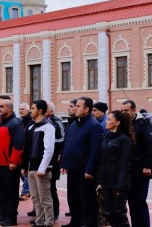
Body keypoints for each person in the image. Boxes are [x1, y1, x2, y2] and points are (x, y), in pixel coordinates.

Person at [60, 97, 103, 227]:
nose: (75, 108)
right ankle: (75, 222)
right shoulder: (74, 123)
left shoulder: (94, 126)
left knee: (87, 200)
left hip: (85, 170)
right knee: (73, 198)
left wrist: (90, 170)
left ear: (87, 109)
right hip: (72, 168)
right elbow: (67, 144)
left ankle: (90, 224)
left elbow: (96, 150)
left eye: (78, 106)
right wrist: (64, 163)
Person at [0, 98, 24, 226]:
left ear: (9, 108)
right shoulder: (0, 122)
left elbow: (18, 144)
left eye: (2, 107)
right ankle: (3, 214)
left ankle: (11, 217)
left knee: (11, 192)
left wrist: (14, 162)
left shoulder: (15, 123)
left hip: (9, 164)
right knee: (1, 191)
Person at [97, 110, 134, 227]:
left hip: (118, 182)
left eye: (109, 119)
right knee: (109, 213)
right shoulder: (107, 136)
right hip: (106, 181)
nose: (106, 122)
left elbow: (124, 165)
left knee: (119, 214)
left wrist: (120, 185)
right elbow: (102, 160)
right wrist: (100, 180)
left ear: (117, 122)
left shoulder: (124, 140)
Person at [22, 100, 55, 227]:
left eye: (33, 108)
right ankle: (39, 221)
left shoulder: (48, 126)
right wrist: (25, 166)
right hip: (31, 167)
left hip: (42, 169)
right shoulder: (31, 127)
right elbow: (27, 149)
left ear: (40, 111)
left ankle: (49, 222)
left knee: (45, 198)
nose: (31, 110)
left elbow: (49, 149)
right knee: (35, 198)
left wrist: (43, 168)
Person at [122, 100, 152, 227]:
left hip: (141, 170)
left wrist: (148, 165)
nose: (124, 113)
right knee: (132, 202)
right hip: (128, 170)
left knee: (139, 202)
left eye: (126, 110)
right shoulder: (123, 124)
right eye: (122, 110)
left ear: (134, 110)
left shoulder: (143, 124)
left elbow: (150, 146)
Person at [45, 101, 66, 223]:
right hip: (43, 159)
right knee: (42, 189)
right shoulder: (41, 121)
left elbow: (62, 138)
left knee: (51, 188)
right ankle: (44, 213)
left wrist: (48, 142)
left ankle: (55, 213)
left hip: (54, 159)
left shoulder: (57, 121)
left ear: (51, 111)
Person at [19, 102, 32, 201]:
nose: (21, 110)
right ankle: (28, 188)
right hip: (20, 151)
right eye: (20, 109)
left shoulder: (31, 121)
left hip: (29, 151)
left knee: (26, 172)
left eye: (23, 109)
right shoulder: (20, 121)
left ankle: (25, 191)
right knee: (22, 172)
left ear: (28, 111)